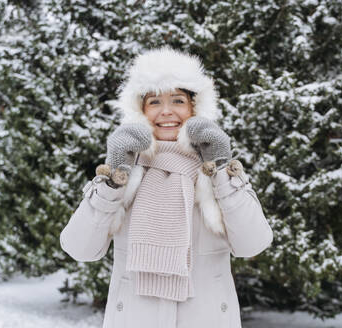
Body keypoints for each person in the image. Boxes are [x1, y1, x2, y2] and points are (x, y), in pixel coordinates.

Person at [60, 45, 273, 328]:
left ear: (194, 107)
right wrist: (112, 178)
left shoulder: (214, 171)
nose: (167, 112)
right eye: (155, 102)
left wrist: (220, 167)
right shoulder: (126, 169)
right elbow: (80, 248)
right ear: (140, 110)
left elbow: (253, 243)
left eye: (178, 100)